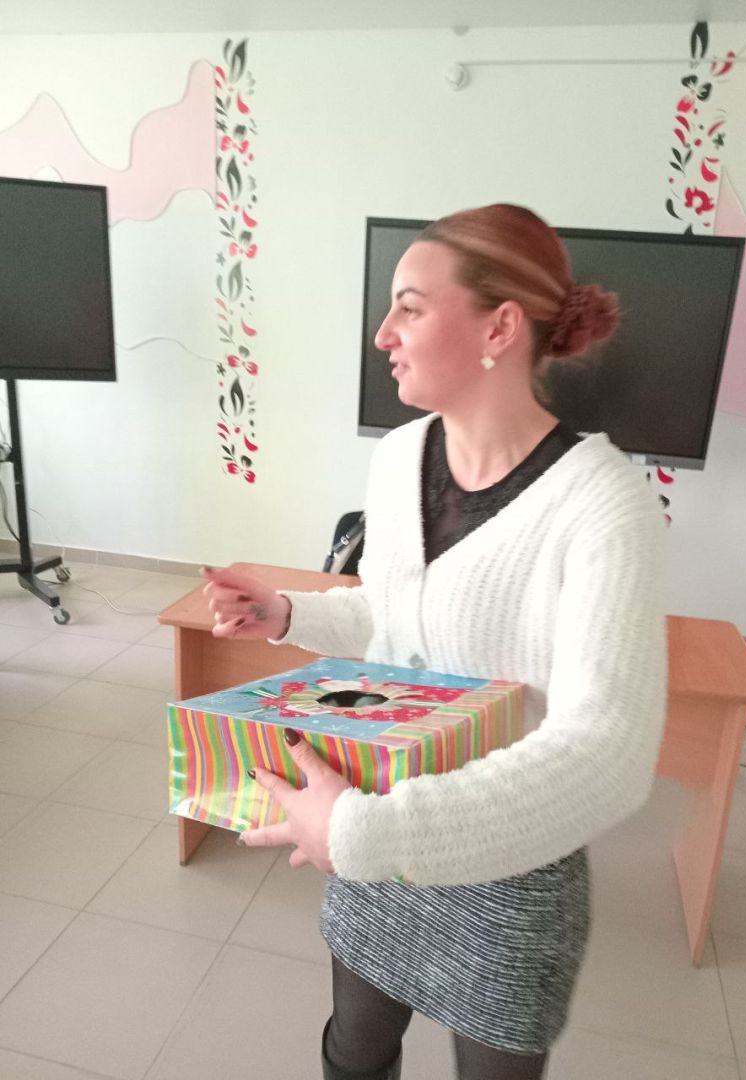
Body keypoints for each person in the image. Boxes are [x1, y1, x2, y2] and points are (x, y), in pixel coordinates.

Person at [201, 203, 667, 1080]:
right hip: (376, 828)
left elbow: (609, 752)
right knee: (354, 1054)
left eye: (410, 308)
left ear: (499, 327)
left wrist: (362, 831)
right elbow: (389, 615)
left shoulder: (604, 503)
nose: (384, 333)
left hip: (506, 863)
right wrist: (289, 613)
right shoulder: (400, 455)